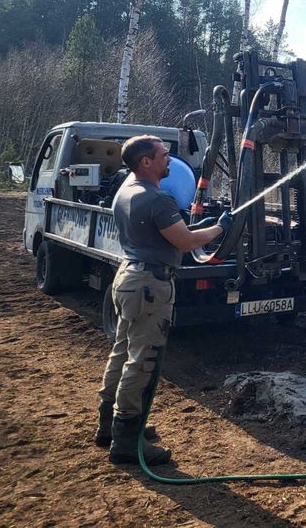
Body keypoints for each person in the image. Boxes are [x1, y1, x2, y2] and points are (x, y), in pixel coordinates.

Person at [93, 135, 232, 465]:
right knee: (143, 362)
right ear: (146, 162)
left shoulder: (126, 191)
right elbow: (184, 242)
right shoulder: (157, 199)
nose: (170, 161)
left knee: (123, 351)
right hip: (150, 285)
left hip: (129, 277)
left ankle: (110, 425)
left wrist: (197, 226)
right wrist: (219, 229)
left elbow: (168, 231)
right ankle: (127, 441)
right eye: (164, 155)